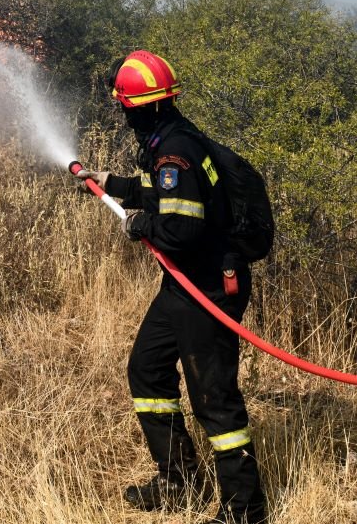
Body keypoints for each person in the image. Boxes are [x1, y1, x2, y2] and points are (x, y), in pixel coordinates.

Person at [75, 50, 268, 524]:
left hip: (207, 288)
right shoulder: (174, 139)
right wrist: (114, 184)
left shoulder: (175, 152)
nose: (122, 114)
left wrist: (140, 225)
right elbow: (170, 195)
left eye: (124, 106)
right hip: (185, 287)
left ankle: (244, 510)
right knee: (148, 369)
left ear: (135, 107)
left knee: (213, 397)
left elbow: (182, 231)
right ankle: (177, 481)